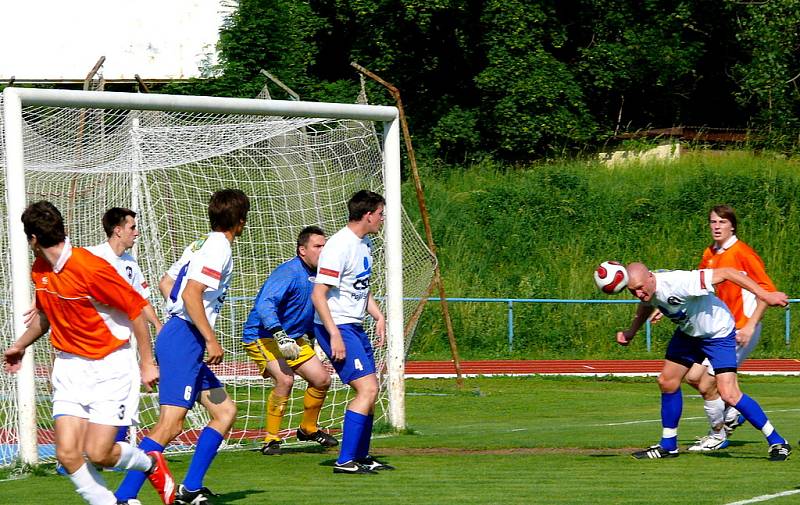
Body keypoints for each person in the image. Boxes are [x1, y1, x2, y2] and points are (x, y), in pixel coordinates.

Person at [2, 201, 174, 505]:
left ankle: (149, 463)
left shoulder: (90, 267)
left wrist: (147, 363)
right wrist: (20, 345)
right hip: (70, 368)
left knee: (100, 454)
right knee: (67, 454)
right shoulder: (39, 268)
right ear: (62, 229)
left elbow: (135, 310)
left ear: (32, 240)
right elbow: (46, 315)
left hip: (111, 367)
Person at [115, 189, 250, 505]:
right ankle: (124, 494)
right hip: (184, 342)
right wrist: (210, 338)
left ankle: (190, 489)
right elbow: (191, 294)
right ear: (241, 221)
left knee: (225, 410)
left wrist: (181, 317)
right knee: (171, 423)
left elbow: (166, 282)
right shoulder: (219, 249)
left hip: (184, 339)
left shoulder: (201, 243)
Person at [617, 262, 791, 461]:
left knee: (729, 394)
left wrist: (764, 295)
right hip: (689, 334)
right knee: (667, 381)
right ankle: (668, 445)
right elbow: (646, 305)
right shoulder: (648, 290)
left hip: (718, 333)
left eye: (640, 288)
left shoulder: (680, 282)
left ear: (650, 277)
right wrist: (631, 332)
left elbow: (727, 271)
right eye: (633, 291)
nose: (639, 293)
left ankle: (778, 441)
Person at [311, 190, 392, 474]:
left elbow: (359, 286)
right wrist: (333, 335)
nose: (382, 219)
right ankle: (345, 460)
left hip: (353, 326)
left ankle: (361, 455)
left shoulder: (364, 242)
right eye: (380, 214)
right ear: (368, 215)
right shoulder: (339, 246)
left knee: (372, 389)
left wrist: (378, 314)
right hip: (339, 327)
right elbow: (318, 295)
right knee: (366, 388)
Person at [684, 205, 775, 451]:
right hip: (717, 329)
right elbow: (699, 285)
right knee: (693, 377)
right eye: (713, 222)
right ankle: (734, 412)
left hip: (740, 329)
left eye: (722, 222)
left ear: (732, 225)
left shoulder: (743, 253)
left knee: (707, 384)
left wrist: (750, 325)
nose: (716, 226)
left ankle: (718, 436)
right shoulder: (710, 253)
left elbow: (766, 291)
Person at [242, 226, 339, 455]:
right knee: (285, 380)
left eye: (325, 246)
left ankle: (308, 428)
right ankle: (271, 439)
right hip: (263, 336)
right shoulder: (288, 272)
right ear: (302, 250)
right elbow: (264, 304)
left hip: (293, 338)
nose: (323, 250)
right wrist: (279, 334)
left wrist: (316, 337)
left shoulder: (320, 275)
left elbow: (308, 309)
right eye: (317, 246)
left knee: (322, 379)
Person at [86, 207, 163, 447]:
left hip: (121, 344)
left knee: (121, 395)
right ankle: (74, 452)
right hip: (91, 342)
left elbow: (141, 299)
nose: (136, 232)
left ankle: (113, 451)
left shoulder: (130, 263)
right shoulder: (92, 257)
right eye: (132, 227)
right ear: (117, 231)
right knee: (87, 398)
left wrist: (159, 325)